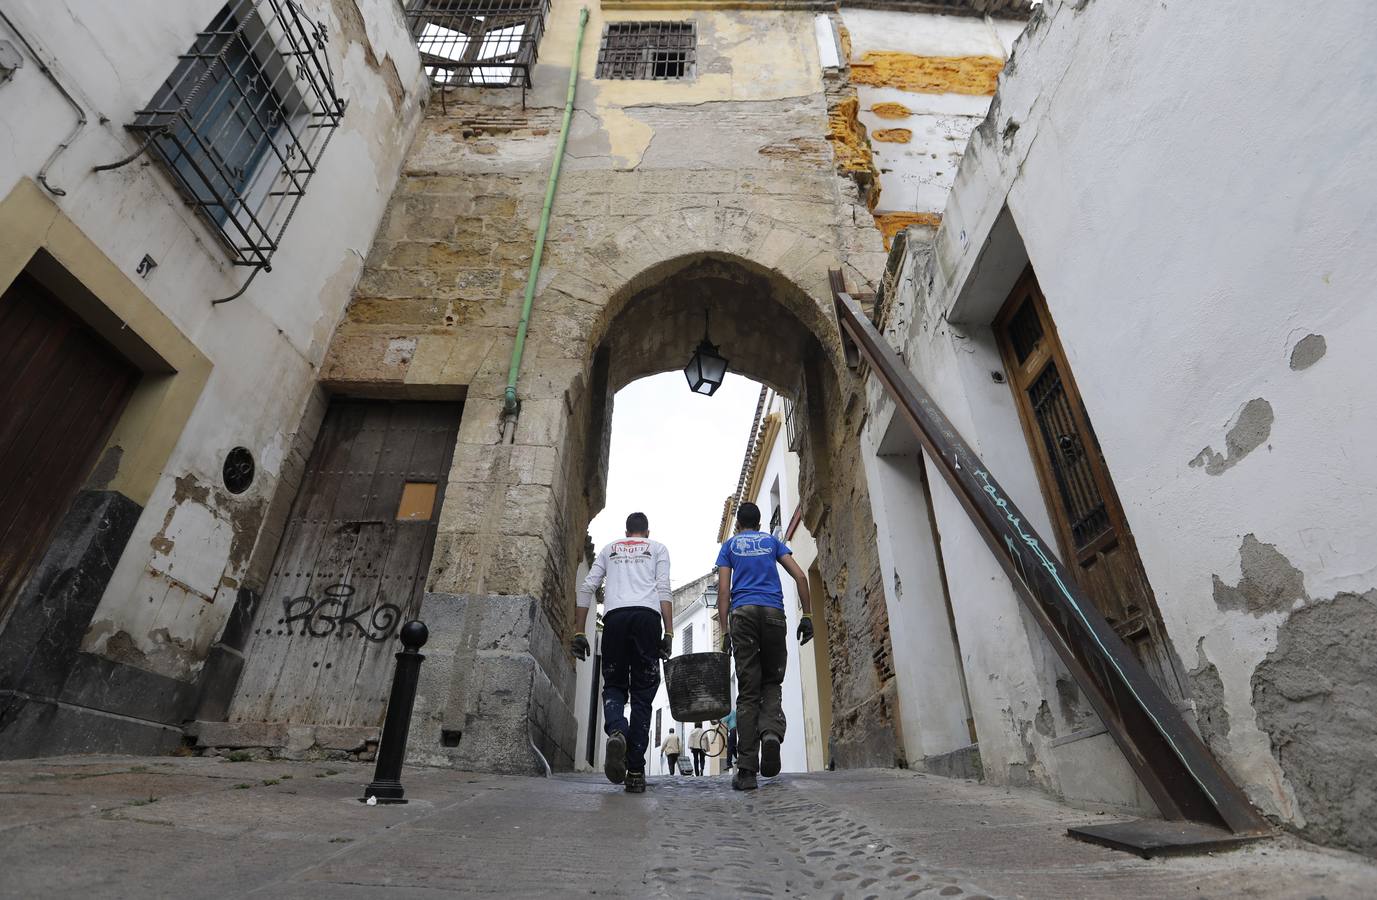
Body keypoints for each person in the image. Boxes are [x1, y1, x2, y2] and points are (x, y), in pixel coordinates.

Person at [571, 512, 673, 794]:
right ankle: (636, 771)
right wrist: (669, 633)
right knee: (642, 694)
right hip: (647, 620)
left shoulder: (609, 549)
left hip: (615, 619)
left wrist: (579, 631)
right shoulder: (657, 549)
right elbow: (664, 588)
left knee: (614, 685)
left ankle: (617, 729)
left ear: (626, 531)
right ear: (646, 532)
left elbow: (587, 587)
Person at [715, 502, 813, 791]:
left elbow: (723, 591)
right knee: (772, 682)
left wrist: (725, 631)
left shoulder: (730, 546)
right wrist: (807, 616)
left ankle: (746, 771)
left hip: (742, 615)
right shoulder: (772, 542)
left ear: (739, 525)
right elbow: (800, 576)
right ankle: (770, 733)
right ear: (759, 523)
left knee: (748, 692)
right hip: (773, 615)